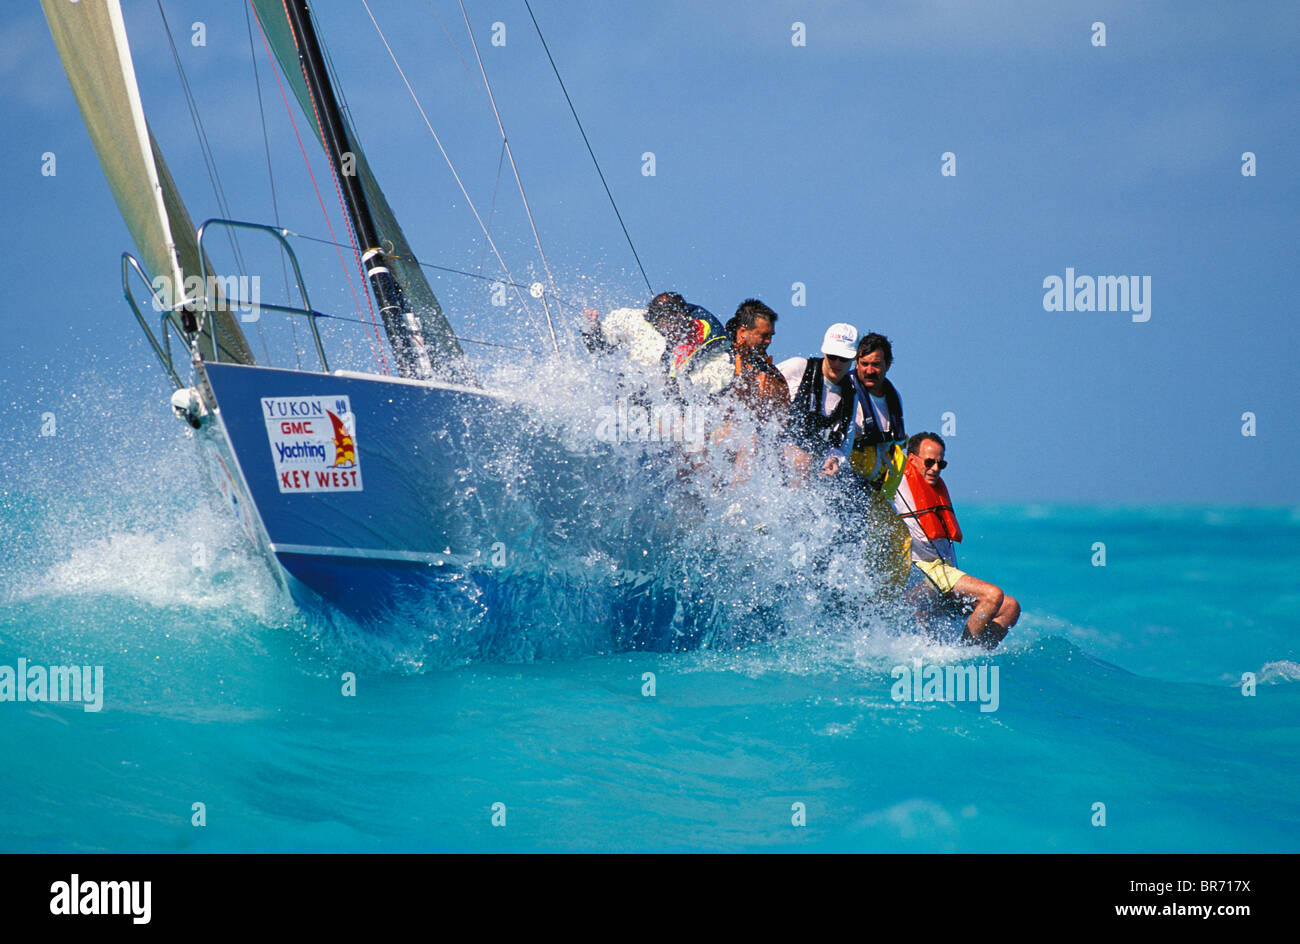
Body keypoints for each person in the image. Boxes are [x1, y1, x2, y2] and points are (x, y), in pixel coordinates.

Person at [893, 432, 1019, 648]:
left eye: (941, 464)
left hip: (944, 578)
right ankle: (963, 655)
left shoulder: (936, 489)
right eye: (929, 462)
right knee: (992, 595)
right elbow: (884, 453)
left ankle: (979, 654)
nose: (935, 468)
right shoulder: (899, 482)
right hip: (923, 574)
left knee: (1010, 607)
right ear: (912, 459)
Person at [821, 332, 911, 595]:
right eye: (864, 364)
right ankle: (838, 594)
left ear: (887, 365)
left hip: (877, 491)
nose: (869, 370)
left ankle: (884, 602)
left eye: (876, 364)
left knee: (900, 540)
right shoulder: (846, 392)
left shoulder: (893, 398)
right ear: (856, 363)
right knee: (850, 544)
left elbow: (897, 447)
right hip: (846, 486)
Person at [583, 291, 733, 397]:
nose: (670, 327)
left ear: (683, 316)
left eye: (675, 320)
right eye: (663, 322)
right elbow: (598, 348)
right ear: (654, 321)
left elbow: (721, 373)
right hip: (637, 394)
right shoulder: (634, 321)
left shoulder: (702, 333)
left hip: (678, 404)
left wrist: (683, 385)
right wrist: (591, 329)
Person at [777, 322, 857, 478]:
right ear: (824, 351)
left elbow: (845, 443)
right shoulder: (799, 367)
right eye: (832, 356)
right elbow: (760, 385)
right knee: (802, 460)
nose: (837, 363)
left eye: (843, 358)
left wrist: (834, 459)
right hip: (776, 446)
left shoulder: (851, 395)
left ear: (853, 358)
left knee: (856, 484)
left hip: (811, 463)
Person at [723, 299, 790, 423]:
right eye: (764, 336)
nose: (769, 341)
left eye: (771, 336)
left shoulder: (773, 377)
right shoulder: (718, 356)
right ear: (743, 332)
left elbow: (782, 424)